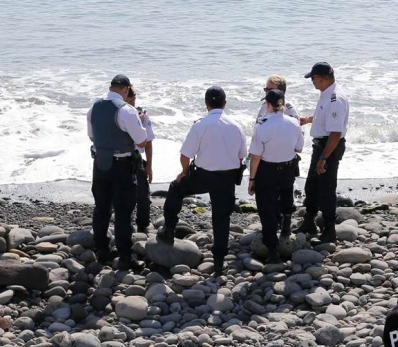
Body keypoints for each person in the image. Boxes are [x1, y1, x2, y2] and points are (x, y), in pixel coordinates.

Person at [161, 86, 246, 279]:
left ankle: (168, 228)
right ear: (224, 103)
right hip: (227, 178)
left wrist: (184, 172)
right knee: (221, 218)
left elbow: (185, 155)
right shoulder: (236, 125)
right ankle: (218, 263)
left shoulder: (200, 125)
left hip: (203, 175)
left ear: (206, 104)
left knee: (176, 188)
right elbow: (243, 156)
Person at [86, 74, 149, 270]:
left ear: (110, 87)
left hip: (100, 164)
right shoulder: (127, 111)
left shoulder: (93, 108)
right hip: (122, 166)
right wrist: (139, 122)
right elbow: (141, 141)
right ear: (127, 89)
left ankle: (102, 250)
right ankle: (124, 256)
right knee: (123, 211)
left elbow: (91, 136)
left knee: (101, 207)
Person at [248, 89, 305, 263]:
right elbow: (299, 148)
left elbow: (255, 156)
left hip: (268, 170)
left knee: (267, 208)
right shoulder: (294, 123)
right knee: (287, 193)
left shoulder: (262, 125)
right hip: (288, 167)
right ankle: (286, 226)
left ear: (267, 105)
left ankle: (272, 249)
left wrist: (252, 179)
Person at [298, 62, 349, 244]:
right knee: (311, 186)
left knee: (326, 189)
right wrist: (308, 120)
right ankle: (309, 222)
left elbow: (335, 134)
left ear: (321, 78)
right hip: (321, 146)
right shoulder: (326, 94)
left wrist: (323, 159)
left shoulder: (335, 99)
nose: (312, 82)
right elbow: (323, 118)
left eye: (313, 78)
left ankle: (329, 229)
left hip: (329, 147)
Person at [125, 87, 155, 235]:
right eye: (129, 95)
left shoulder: (141, 115)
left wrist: (149, 165)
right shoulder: (118, 113)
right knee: (123, 196)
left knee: (143, 196)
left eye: (134, 96)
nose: (132, 98)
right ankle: (125, 228)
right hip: (121, 159)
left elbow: (148, 142)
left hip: (137, 159)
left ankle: (143, 227)